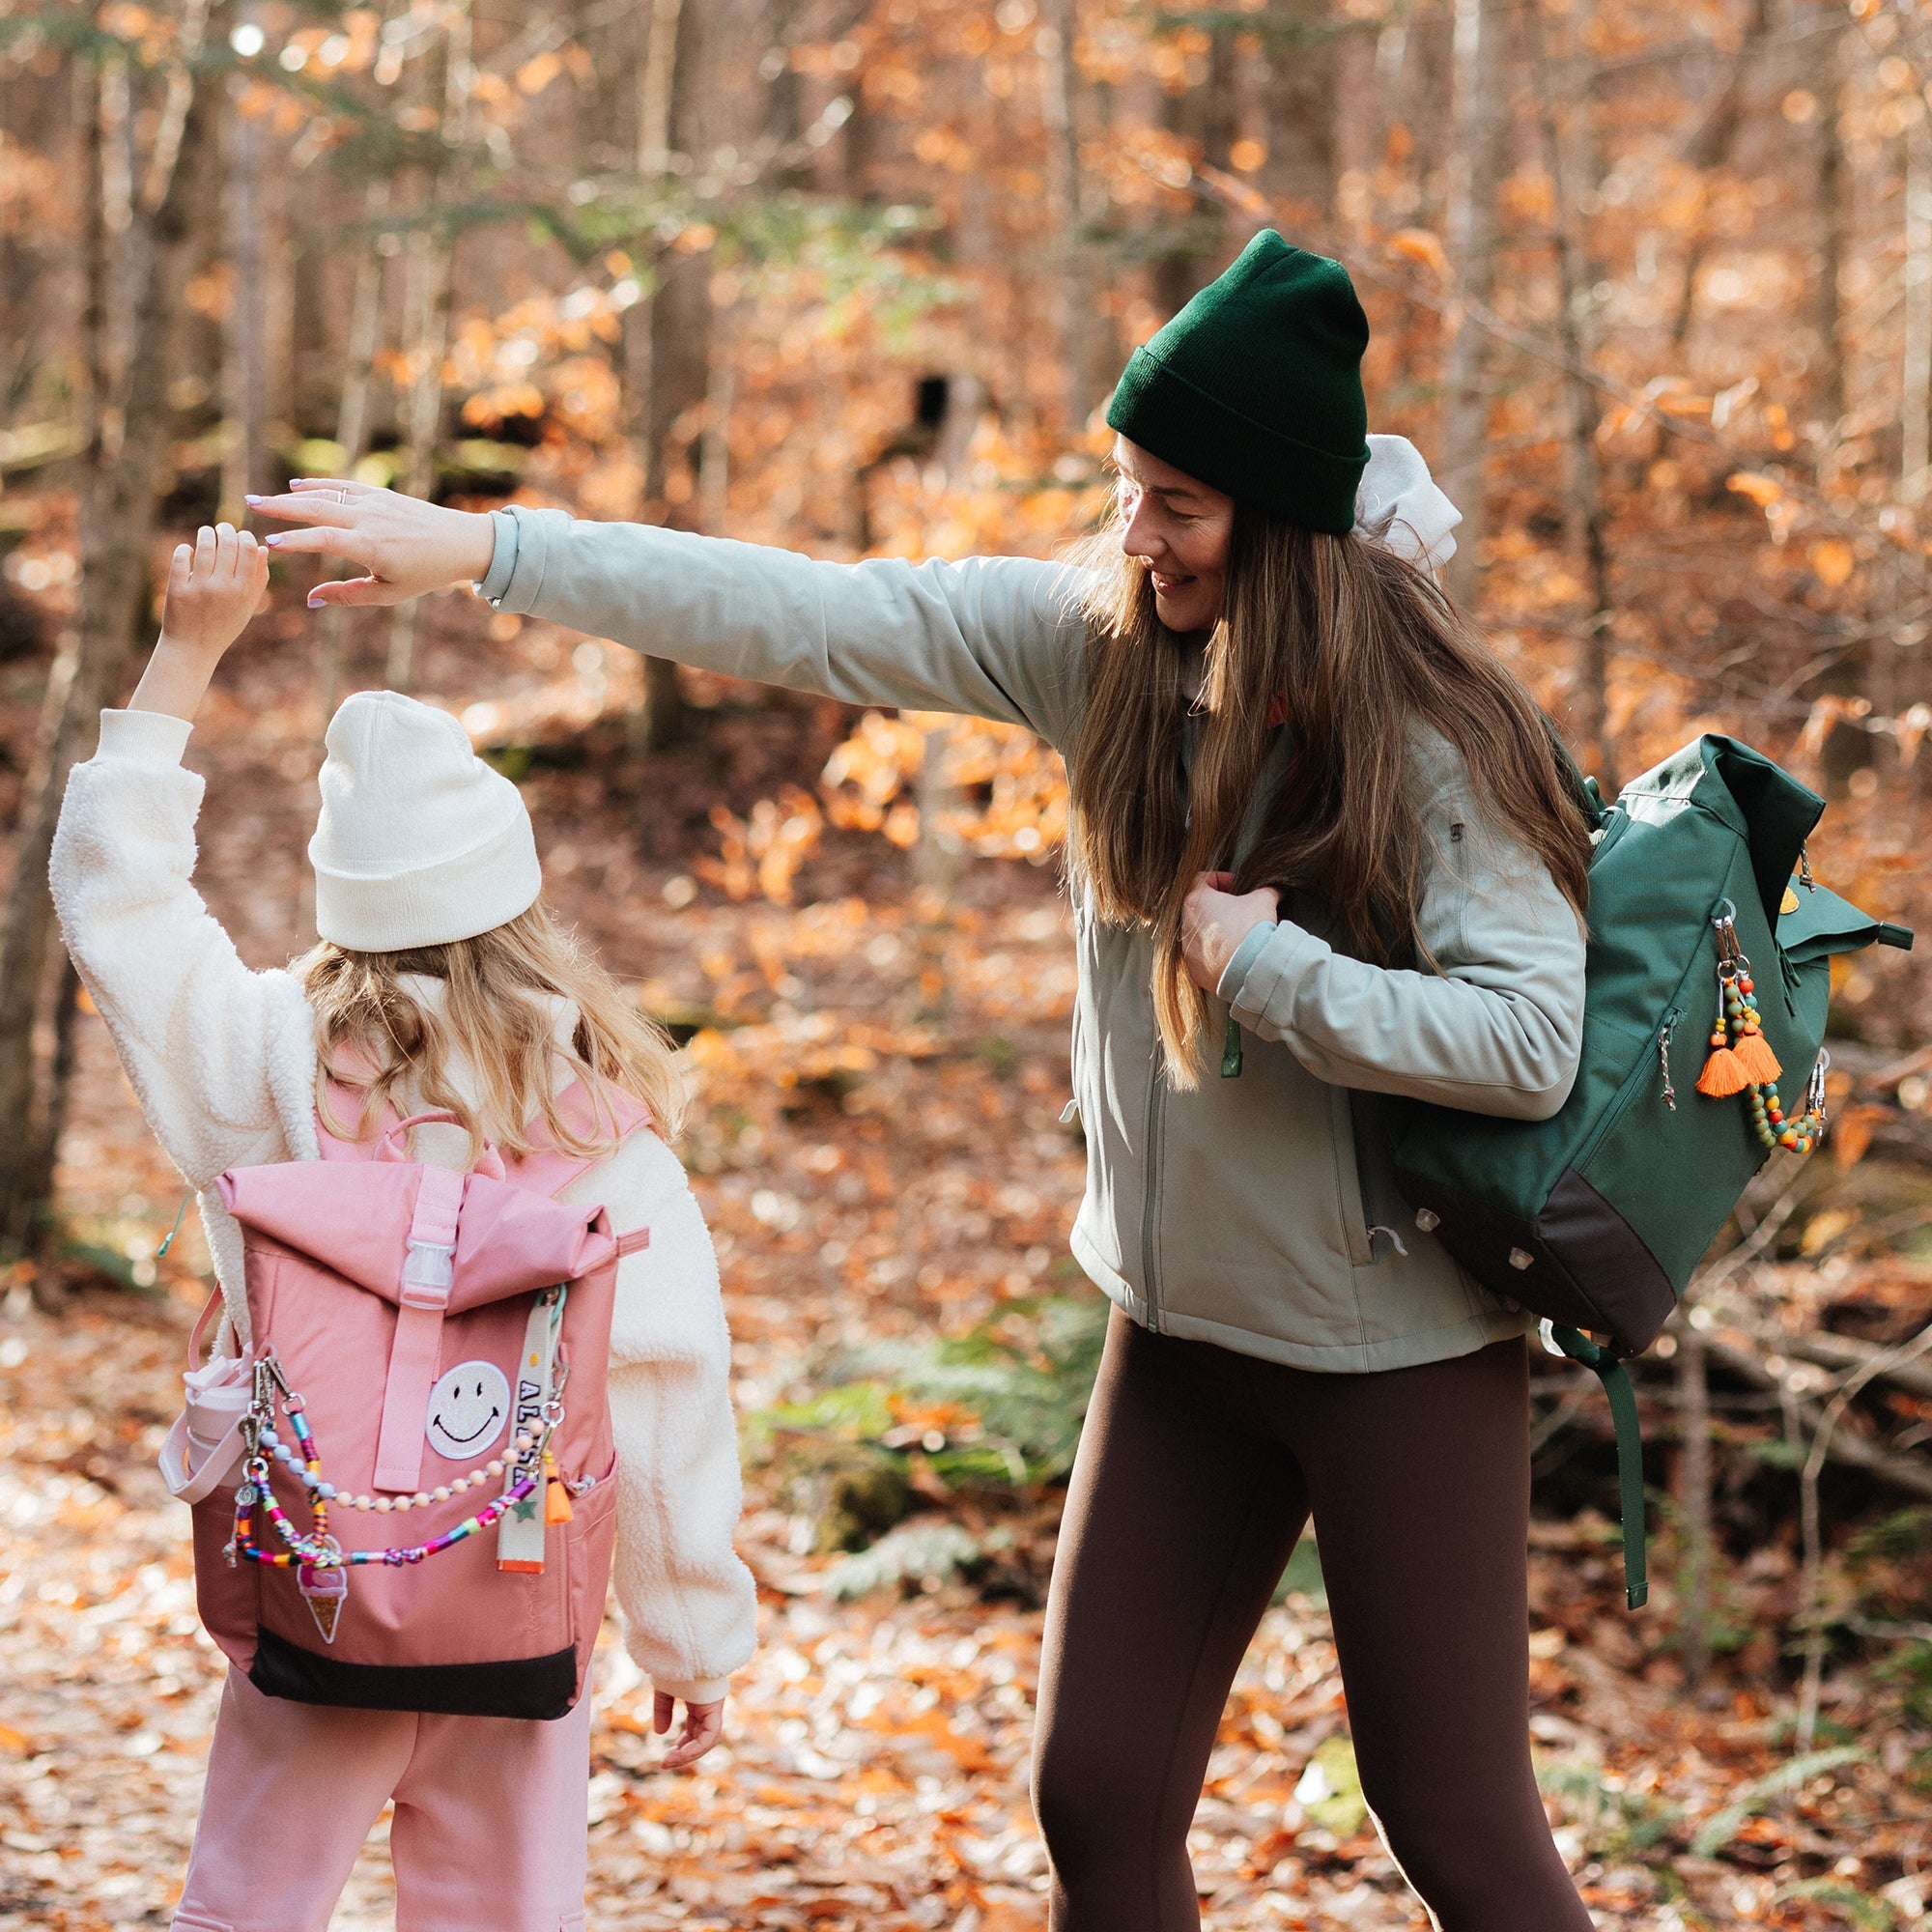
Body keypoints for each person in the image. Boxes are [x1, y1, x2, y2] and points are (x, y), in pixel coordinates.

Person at [249, 231, 1597, 1931]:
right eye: (1126, 488)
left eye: (1178, 502)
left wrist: (1272, 971)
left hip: (1393, 1352)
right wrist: (489, 551)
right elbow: (817, 610)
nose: (1136, 533)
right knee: (1099, 1794)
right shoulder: (1100, 648)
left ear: (1283, 517)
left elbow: (1528, 1040)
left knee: (1452, 1818)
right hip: (1181, 1337)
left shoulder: (1429, 729)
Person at [50, 524, 757, 1932]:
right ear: (519, 905)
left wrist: (188, 650)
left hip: (317, 1602)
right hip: (517, 1622)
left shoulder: (263, 1062)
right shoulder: (605, 1136)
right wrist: (687, 1637)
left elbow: (117, 905)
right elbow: (666, 1403)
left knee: (246, 1910)